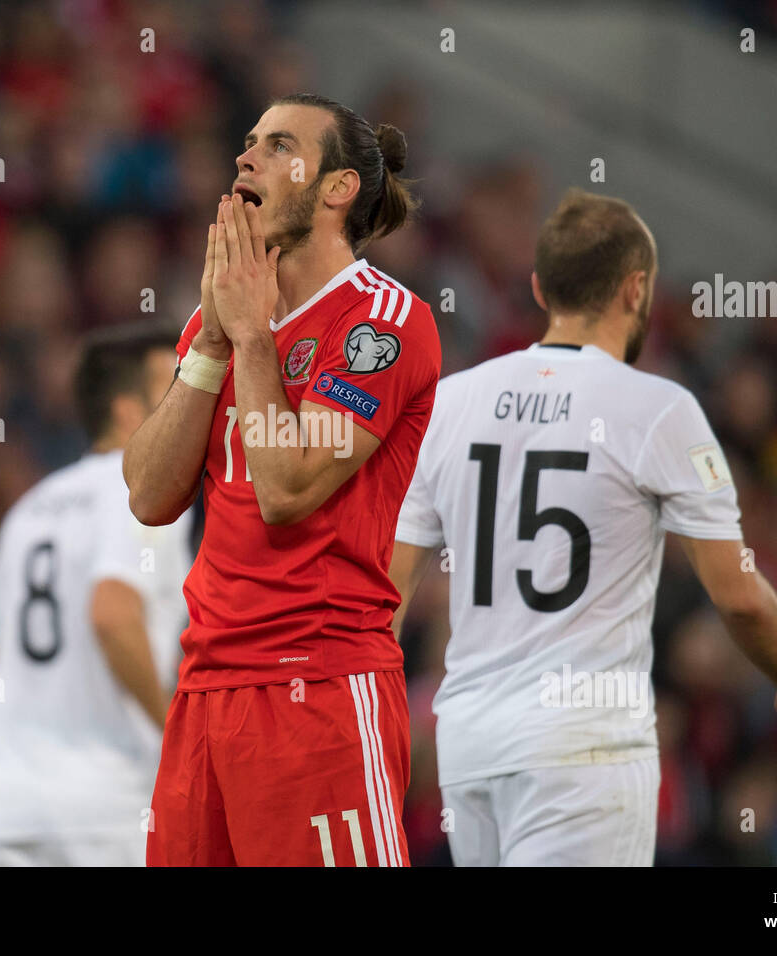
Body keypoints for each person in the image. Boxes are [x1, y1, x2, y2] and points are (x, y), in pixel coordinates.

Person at [390, 188, 777, 866]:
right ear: (636, 289)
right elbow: (739, 595)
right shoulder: (659, 408)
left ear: (540, 287)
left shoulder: (451, 401)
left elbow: (385, 594)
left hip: (471, 745)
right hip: (581, 750)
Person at [124, 93, 440, 866]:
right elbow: (147, 495)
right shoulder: (225, 319)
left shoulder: (383, 323)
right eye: (247, 141)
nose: (245, 158)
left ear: (335, 190)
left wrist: (254, 339)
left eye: (276, 144)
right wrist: (212, 343)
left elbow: (289, 488)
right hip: (204, 691)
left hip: (320, 688)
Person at [0, 327, 191, 866]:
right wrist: (175, 730)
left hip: (5, 811)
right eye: (174, 389)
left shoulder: (33, 506)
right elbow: (111, 614)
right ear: (130, 411)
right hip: (103, 810)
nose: (192, 400)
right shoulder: (147, 493)